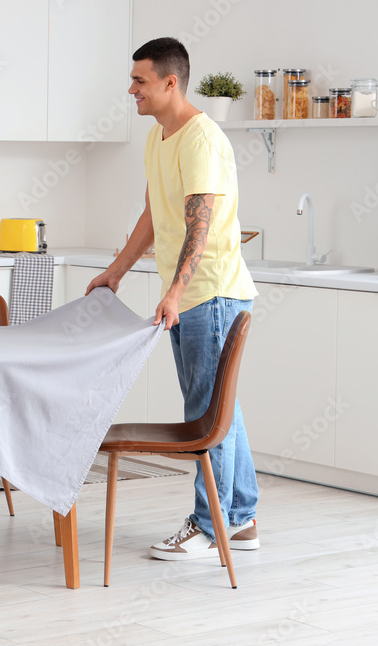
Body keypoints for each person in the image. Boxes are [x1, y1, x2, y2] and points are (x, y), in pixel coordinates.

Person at [86, 37, 260, 560]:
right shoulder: (160, 137)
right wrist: (116, 272)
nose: (131, 90)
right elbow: (151, 214)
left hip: (210, 296)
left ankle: (210, 527)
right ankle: (243, 516)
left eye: (140, 81)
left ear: (170, 82)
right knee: (220, 410)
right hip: (195, 297)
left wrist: (176, 292)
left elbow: (198, 225)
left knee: (206, 414)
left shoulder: (201, 139)